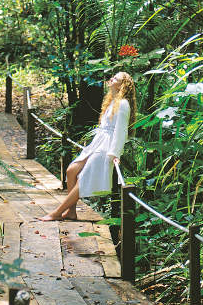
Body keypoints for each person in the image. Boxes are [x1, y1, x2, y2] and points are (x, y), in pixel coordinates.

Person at [39, 71, 136, 221]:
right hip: (98, 141)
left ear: (122, 85)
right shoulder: (112, 100)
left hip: (107, 147)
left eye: (115, 78)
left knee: (83, 177)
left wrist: (116, 153)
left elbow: (121, 130)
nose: (111, 79)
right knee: (71, 170)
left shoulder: (123, 104)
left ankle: (57, 212)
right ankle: (71, 212)